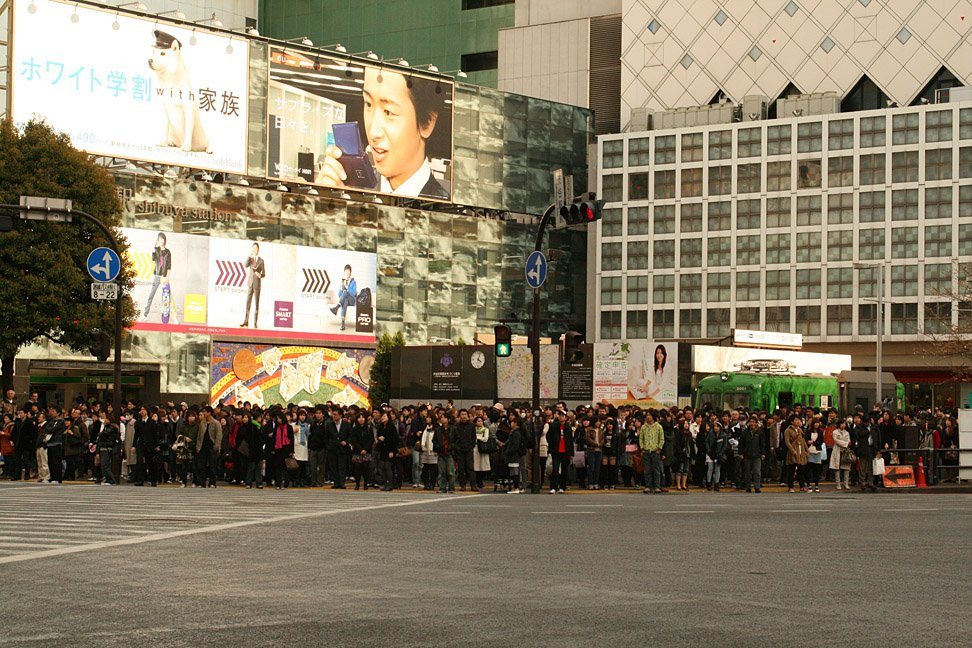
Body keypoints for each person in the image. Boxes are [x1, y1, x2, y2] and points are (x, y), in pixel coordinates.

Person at [317, 67, 450, 200]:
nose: (373, 132)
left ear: (427, 123)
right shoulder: (353, 192)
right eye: (368, 104)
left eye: (389, 112)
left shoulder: (443, 207)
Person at [140, 232, 176, 323]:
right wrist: (154, 247)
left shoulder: (168, 252)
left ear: (164, 240)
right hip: (156, 276)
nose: (161, 241)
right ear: (158, 240)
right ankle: (144, 315)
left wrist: (167, 277)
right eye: (160, 239)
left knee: (169, 297)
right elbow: (153, 258)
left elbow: (169, 266)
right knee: (150, 296)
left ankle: (175, 318)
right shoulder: (156, 250)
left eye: (163, 239)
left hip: (164, 277)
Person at [545, 410, 573, 493]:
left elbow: (570, 440)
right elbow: (548, 436)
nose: (561, 417)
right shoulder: (554, 426)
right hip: (556, 451)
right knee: (555, 469)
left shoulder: (568, 427)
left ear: (566, 417)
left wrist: (571, 452)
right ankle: (553, 487)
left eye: (563, 416)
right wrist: (551, 447)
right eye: (560, 415)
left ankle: (562, 487)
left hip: (566, 451)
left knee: (564, 470)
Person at [239, 242, 265, 328]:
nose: (254, 249)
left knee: (256, 304)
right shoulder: (250, 259)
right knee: (248, 303)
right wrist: (249, 256)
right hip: (250, 283)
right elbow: (245, 265)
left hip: (257, 284)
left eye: (256, 248)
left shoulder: (261, 261)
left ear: (258, 249)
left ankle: (255, 323)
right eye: (253, 248)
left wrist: (260, 275)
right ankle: (246, 321)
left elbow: (264, 273)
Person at [738, 415, 766, 493]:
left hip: (757, 455)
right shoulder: (745, 432)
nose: (752, 423)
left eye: (753, 422)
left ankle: (757, 487)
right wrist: (741, 453)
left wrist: (763, 453)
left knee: (757, 472)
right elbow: (741, 443)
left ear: (756, 423)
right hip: (747, 455)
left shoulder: (760, 432)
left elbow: (762, 443)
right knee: (747, 472)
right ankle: (748, 487)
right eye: (750, 422)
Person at [639, 411, 665, 494]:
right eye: (647, 415)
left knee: (656, 469)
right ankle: (648, 486)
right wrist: (642, 448)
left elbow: (661, 438)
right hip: (646, 451)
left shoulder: (658, 427)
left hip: (655, 451)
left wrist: (659, 448)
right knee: (647, 470)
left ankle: (657, 486)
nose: (648, 417)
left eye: (649, 415)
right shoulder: (643, 427)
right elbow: (641, 438)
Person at [451, 409, 477, 492]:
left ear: (468, 416)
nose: (464, 416)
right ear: (459, 416)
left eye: (465, 414)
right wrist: (456, 447)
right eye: (462, 414)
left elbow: (474, 437)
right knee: (461, 469)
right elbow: (453, 438)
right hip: (459, 450)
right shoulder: (456, 426)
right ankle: (463, 485)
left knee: (470, 468)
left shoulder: (472, 426)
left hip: (469, 450)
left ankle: (473, 485)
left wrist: (472, 446)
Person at [325, 409, 350, 488]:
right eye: (333, 414)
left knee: (342, 466)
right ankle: (336, 482)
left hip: (342, 448)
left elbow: (350, 435)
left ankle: (342, 483)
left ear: (340, 415)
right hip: (332, 448)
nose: (334, 416)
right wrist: (328, 446)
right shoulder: (329, 424)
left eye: (335, 414)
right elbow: (326, 437)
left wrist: (346, 442)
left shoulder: (346, 424)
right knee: (333, 466)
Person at [329, 265, 358, 331]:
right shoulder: (343, 282)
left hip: (352, 300)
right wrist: (342, 287)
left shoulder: (353, 282)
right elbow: (339, 295)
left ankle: (336, 307)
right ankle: (342, 323)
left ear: (350, 273)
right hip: (346, 300)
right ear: (344, 273)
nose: (347, 274)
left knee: (345, 293)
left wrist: (347, 288)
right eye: (346, 273)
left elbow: (354, 293)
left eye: (348, 273)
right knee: (345, 302)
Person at [784, 415, 809, 493]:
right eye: (796, 420)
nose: (798, 422)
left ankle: (802, 486)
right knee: (791, 469)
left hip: (800, 450)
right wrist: (792, 450)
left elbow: (803, 440)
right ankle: (790, 487)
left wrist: (806, 450)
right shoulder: (788, 430)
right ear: (792, 422)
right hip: (793, 451)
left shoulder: (800, 430)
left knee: (801, 469)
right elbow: (787, 442)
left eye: (799, 420)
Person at [375, 411, 399, 491]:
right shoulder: (381, 426)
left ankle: (390, 484)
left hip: (389, 449)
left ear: (388, 418)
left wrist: (392, 451)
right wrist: (379, 438)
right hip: (382, 449)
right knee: (382, 467)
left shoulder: (391, 427)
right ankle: (385, 484)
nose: (382, 418)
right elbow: (378, 435)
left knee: (388, 467)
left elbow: (395, 439)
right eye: (382, 416)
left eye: (384, 416)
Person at [95, 412, 120, 486]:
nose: (105, 420)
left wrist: (100, 434)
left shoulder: (111, 428)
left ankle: (112, 480)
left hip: (107, 448)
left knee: (105, 465)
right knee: (104, 465)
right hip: (104, 447)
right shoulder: (106, 427)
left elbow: (102, 435)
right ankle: (108, 479)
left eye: (106, 419)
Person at [433, 412, 456, 493]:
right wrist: (437, 448)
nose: (442, 419)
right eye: (441, 417)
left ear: (448, 419)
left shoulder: (453, 429)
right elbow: (434, 440)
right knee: (441, 472)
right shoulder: (438, 430)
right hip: (441, 452)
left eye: (444, 417)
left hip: (450, 452)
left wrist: (452, 447)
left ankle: (451, 488)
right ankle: (442, 487)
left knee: (450, 472)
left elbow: (457, 440)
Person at [350, 412, 374, 490]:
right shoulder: (354, 429)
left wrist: (365, 449)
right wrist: (360, 449)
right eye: (359, 417)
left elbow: (371, 439)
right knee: (357, 468)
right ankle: (357, 483)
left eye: (362, 417)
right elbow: (353, 440)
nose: (361, 419)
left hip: (367, 451)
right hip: (357, 451)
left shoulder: (369, 428)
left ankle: (365, 483)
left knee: (366, 468)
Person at [307, 407, 328, 486]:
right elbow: (310, 435)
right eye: (316, 413)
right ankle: (313, 481)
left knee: (321, 466)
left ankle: (320, 481)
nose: (318, 415)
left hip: (322, 447)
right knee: (312, 465)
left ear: (323, 414)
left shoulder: (326, 423)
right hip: (313, 447)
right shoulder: (313, 423)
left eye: (319, 413)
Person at [704, 421, 728, 491]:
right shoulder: (711, 433)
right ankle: (709, 483)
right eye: (715, 426)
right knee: (710, 468)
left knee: (717, 469)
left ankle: (716, 484)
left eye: (717, 426)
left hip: (719, 455)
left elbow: (725, 446)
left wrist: (720, 453)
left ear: (720, 428)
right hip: (710, 454)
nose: (715, 428)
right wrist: (709, 451)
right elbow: (706, 442)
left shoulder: (724, 435)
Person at [831, 419, 852, 490]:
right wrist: (845, 443)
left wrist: (845, 443)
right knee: (837, 468)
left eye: (844, 424)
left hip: (845, 451)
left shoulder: (847, 432)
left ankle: (846, 484)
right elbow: (836, 441)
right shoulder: (835, 432)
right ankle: (838, 484)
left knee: (846, 468)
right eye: (842, 423)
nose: (843, 425)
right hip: (837, 451)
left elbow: (849, 441)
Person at [473, 415, 491, 491]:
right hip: (475, 449)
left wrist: (478, 438)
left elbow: (485, 439)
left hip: (483, 449)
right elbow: (473, 439)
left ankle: (482, 481)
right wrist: (480, 438)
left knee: (483, 466)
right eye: (478, 421)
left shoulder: (485, 429)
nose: (480, 422)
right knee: (476, 466)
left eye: (481, 421)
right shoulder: (473, 430)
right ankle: (478, 481)